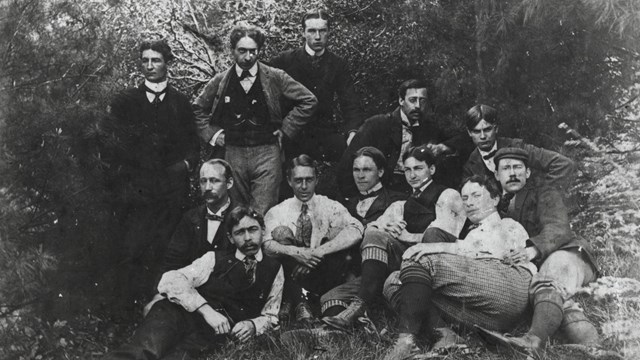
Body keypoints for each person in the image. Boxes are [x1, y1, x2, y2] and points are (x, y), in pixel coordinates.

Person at [381, 175, 535, 360]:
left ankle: (404, 342)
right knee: (394, 282)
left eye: (476, 195)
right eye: (465, 198)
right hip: (483, 314)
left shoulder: (507, 224)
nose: (469, 203)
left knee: (422, 260)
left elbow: (487, 252)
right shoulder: (473, 233)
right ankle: (445, 335)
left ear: (495, 199)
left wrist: (435, 247)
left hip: (509, 289)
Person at [105, 206, 284, 360]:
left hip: (209, 335)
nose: (247, 238)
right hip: (177, 314)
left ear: (263, 229)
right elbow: (171, 278)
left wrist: (253, 325)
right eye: (239, 232)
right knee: (144, 351)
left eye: (252, 229)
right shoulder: (214, 259)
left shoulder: (274, 268)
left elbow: (271, 315)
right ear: (230, 238)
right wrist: (206, 310)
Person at [475, 148, 606, 356]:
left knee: (552, 273)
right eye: (506, 168)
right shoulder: (498, 205)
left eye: (518, 167)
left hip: (569, 255)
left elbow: (557, 228)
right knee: (555, 298)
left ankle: (533, 340)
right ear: (497, 175)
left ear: (527, 173)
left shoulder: (544, 192)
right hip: (539, 271)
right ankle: (594, 348)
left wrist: (532, 250)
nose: (513, 173)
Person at [322, 145, 463, 331]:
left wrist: (407, 236)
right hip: (393, 269)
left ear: (432, 169)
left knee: (383, 240)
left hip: (431, 270)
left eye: (418, 168)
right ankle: (351, 324)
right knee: (330, 298)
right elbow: (370, 230)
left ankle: (361, 309)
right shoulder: (401, 205)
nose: (412, 175)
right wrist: (386, 228)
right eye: (407, 169)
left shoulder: (448, 195)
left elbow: (442, 240)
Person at [103, 39, 199, 312]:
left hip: (171, 193)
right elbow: (112, 145)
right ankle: (125, 311)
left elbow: (193, 146)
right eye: (145, 60)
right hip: (137, 192)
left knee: (165, 248)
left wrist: (183, 166)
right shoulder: (125, 102)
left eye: (155, 60)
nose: (149, 66)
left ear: (167, 64)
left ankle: (159, 309)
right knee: (132, 248)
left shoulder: (180, 102)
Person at [192, 23, 317, 215]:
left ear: (259, 50)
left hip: (267, 153)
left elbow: (308, 100)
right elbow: (197, 109)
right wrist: (214, 135)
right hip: (233, 153)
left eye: (253, 51)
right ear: (232, 50)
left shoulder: (274, 76)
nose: (248, 57)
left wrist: (286, 129)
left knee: (264, 212)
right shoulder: (221, 80)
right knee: (235, 212)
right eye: (242, 51)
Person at [270, 10, 364, 197]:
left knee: (349, 166)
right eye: (312, 31)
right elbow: (268, 96)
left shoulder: (338, 64)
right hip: (292, 134)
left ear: (329, 32)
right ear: (303, 32)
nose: (317, 36)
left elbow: (349, 101)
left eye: (322, 30)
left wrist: (353, 132)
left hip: (324, 133)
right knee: (283, 185)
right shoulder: (284, 61)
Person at [263, 154, 363, 322]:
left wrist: (318, 252)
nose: (304, 186)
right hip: (291, 272)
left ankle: (296, 300)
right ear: (289, 181)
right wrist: (296, 253)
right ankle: (299, 299)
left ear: (317, 180)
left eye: (309, 180)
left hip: (323, 272)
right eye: (298, 180)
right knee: (280, 233)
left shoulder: (330, 206)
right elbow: (266, 244)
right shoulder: (278, 211)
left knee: (338, 233)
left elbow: (356, 229)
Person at [337, 79, 474, 198]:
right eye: (412, 100)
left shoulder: (429, 127)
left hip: (414, 189)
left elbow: (464, 138)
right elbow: (348, 163)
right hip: (382, 190)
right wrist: (354, 198)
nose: (418, 106)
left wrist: (443, 147)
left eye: (422, 100)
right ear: (401, 100)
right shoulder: (377, 124)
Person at [317, 146, 405, 317]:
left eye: (366, 169)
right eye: (356, 169)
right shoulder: (345, 205)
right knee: (328, 299)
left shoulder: (397, 200)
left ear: (380, 172)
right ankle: (350, 325)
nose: (360, 175)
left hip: (388, 271)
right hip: (359, 277)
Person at [142, 159, 237, 316]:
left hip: (226, 301)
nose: (207, 187)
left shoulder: (240, 218)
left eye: (214, 181)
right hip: (189, 296)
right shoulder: (191, 218)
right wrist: (159, 294)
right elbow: (172, 260)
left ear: (229, 183)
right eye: (203, 181)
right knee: (155, 314)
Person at [462, 104, 575, 190]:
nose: (483, 136)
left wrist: (544, 195)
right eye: (477, 132)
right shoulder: (470, 166)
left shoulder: (517, 147)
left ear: (496, 128)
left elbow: (563, 164)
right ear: (469, 133)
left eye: (487, 129)